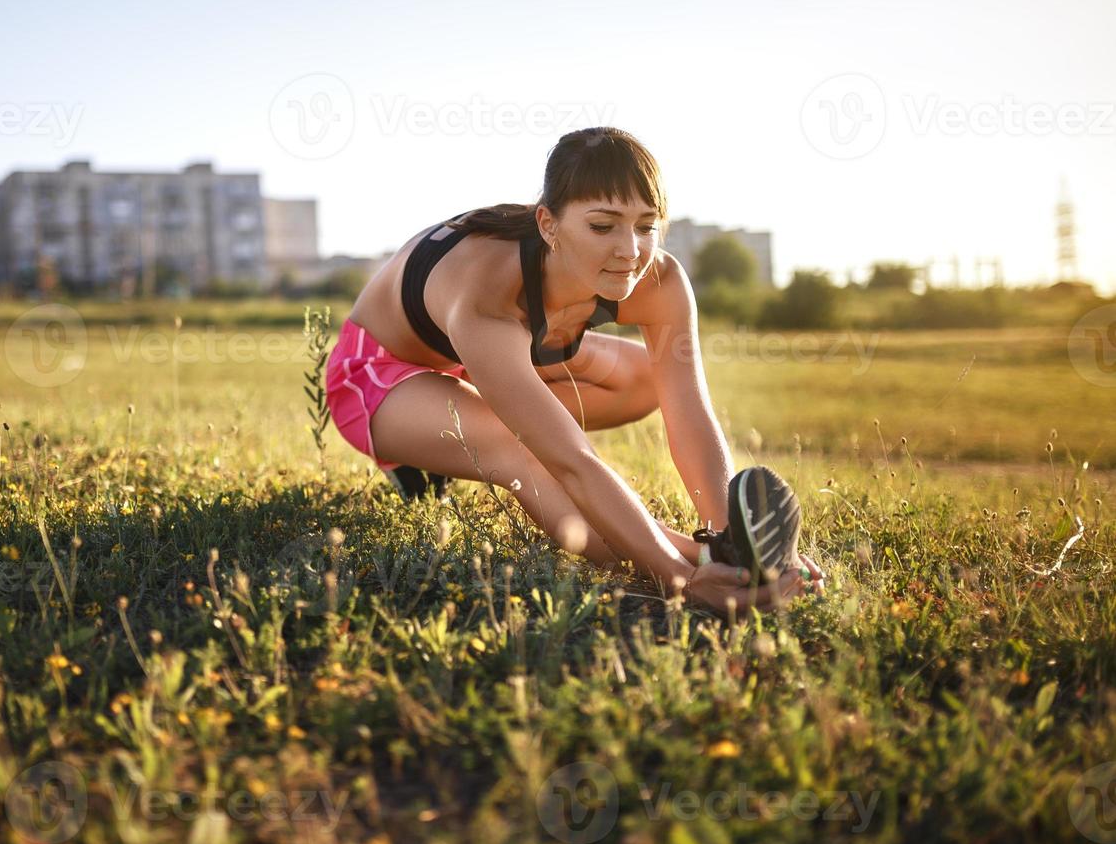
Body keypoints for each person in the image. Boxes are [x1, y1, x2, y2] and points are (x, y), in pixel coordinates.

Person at [324, 127, 824, 614]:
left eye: (646, 225)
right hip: (376, 378)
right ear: (548, 225)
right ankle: (697, 557)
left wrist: (732, 531)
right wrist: (682, 580)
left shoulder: (660, 278)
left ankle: (720, 552)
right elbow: (570, 462)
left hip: (475, 368)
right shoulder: (487, 289)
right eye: (602, 227)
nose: (630, 250)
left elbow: (689, 411)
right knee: (523, 448)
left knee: (653, 380)